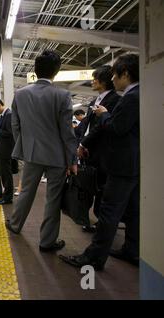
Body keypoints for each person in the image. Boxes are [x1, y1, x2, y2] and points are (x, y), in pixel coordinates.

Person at [60, 53, 140, 270]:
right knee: (132, 211)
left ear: (125, 74)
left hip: (121, 165)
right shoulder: (138, 95)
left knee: (108, 212)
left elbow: (116, 128)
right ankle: (132, 250)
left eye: (115, 75)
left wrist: (104, 115)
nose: (113, 79)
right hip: (133, 164)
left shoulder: (131, 97)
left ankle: (94, 257)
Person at [6, 50, 78, 252]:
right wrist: (72, 159)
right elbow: (67, 131)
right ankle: (47, 242)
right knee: (52, 199)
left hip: (31, 153)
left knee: (25, 191)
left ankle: (15, 225)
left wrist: (25, 146)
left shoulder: (20, 94)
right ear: (56, 72)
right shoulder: (62, 95)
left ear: (35, 71)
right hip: (57, 156)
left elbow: (15, 126)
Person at [77, 65, 121, 233]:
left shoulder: (115, 100)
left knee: (101, 187)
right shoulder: (93, 101)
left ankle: (101, 223)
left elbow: (101, 128)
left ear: (104, 81)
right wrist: (81, 143)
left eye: (95, 78)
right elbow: (86, 125)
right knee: (89, 185)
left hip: (102, 152)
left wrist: (83, 143)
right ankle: (89, 218)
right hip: (89, 152)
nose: (92, 81)